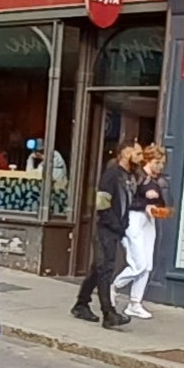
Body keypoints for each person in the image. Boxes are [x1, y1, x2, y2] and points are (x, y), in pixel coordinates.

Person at [72, 141, 141, 329]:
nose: (140, 156)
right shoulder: (112, 175)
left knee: (99, 268)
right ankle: (108, 313)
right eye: (137, 152)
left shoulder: (130, 176)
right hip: (106, 229)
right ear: (125, 153)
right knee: (106, 269)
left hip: (116, 229)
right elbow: (102, 204)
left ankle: (81, 304)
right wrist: (115, 224)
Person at [114, 144, 169, 320]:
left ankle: (135, 303)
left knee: (147, 265)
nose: (160, 166)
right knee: (138, 263)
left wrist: (157, 206)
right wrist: (146, 204)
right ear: (149, 160)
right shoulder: (138, 178)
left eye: (162, 163)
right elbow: (127, 200)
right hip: (134, 220)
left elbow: (160, 202)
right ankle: (114, 286)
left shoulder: (155, 181)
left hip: (148, 221)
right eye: (157, 162)